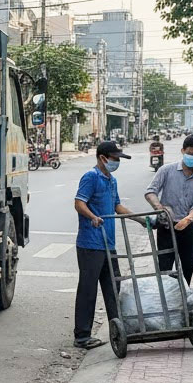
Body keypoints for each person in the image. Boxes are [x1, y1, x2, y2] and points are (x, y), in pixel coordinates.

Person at [73, 140, 136, 349]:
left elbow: (117, 205)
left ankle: (117, 331)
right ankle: (82, 336)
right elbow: (79, 203)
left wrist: (140, 219)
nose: (117, 162)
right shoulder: (91, 177)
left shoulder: (112, 180)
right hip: (90, 243)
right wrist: (92, 216)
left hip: (108, 243)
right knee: (88, 290)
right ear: (103, 158)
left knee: (113, 288)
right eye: (115, 158)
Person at [144, 133, 193, 286]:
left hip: (188, 228)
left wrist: (188, 219)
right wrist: (159, 208)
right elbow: (150, 192)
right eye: (190, 153)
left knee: (187, 269)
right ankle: (166, 304)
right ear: (182, 151)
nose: (192, 157)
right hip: (166, 227)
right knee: (164, 271)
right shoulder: (166, 170)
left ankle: (183, 304)